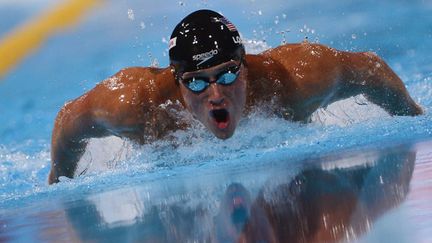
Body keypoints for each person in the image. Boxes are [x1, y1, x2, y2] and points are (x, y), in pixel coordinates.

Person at [48, 9, 422, 184]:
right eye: (197, 82)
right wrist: (59, 179)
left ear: (245, 66)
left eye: (227, 74)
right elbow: (68, 120)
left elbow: (371, 69)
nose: (215, 95)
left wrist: (413, 117)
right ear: (177, 81)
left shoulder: (295, 80)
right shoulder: (137, 105)